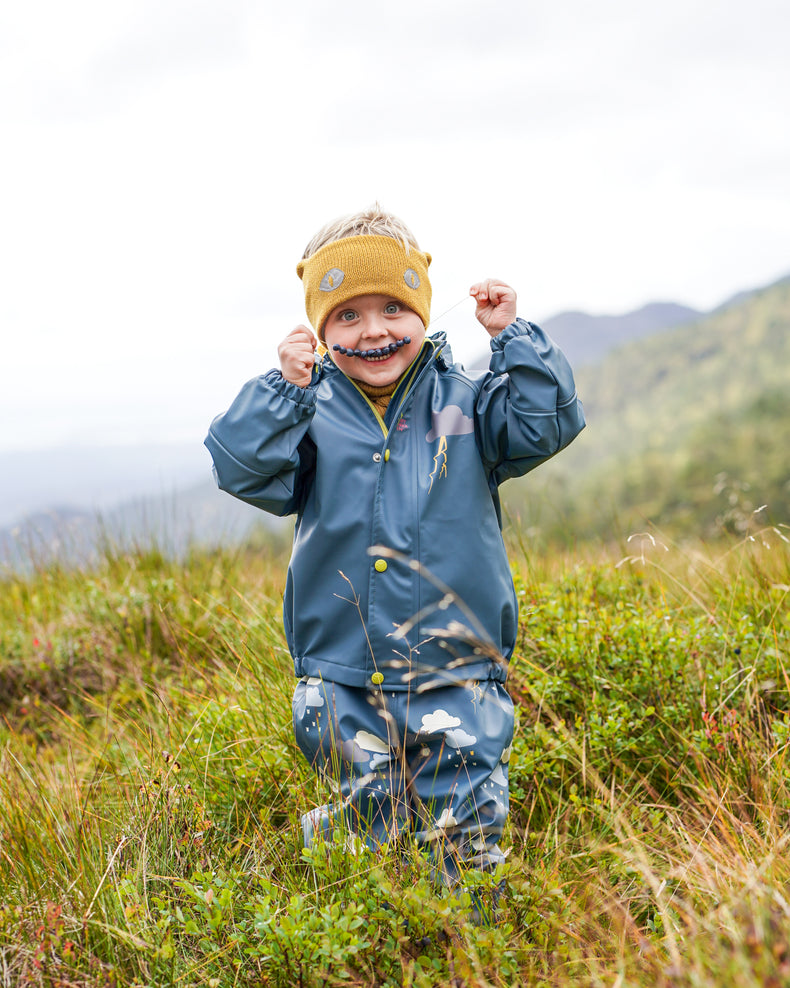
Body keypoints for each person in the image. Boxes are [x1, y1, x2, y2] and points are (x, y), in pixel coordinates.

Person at [204, 205, 585, 893]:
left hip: (459, 668)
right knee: (360, 829)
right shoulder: (309, 413)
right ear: (320, 332)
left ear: (421, 312)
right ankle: (362, 952)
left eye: (391, 309)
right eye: (347, 316)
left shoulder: (467, 405)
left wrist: (513, 338)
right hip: (342, 675)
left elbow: (545, 422)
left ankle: (467, 956)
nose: (374, 329)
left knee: (467, 831)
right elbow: (243, 468)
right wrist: (282, 392)